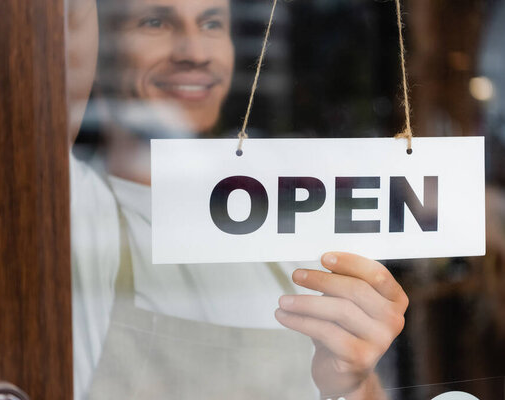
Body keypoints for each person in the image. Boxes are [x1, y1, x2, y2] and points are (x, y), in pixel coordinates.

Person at [67, 0, 409, 399]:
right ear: (99, 47)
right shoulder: (77, 206)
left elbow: (362, 390)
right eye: (155, 22)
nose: (195, 53)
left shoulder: (280, 216)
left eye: (212, 23)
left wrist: (352, 382)